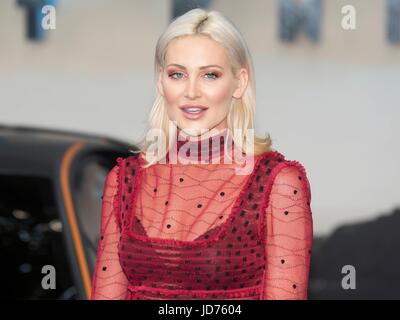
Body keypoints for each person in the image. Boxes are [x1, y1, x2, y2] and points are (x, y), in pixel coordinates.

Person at [90, 8, 313, 300]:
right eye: (178, 74)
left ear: (239, 82)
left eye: (209, 75)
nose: (191, 91)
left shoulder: (278, 184)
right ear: (161, 82)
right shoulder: (123, 180)